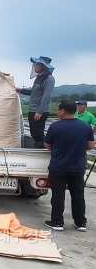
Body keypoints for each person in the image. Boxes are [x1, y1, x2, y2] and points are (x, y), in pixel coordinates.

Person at [43, 99, 95, 231]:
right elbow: (90, 146)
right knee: (78, 195)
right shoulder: (85, 127)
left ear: (63, 111)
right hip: (77, 167)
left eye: (58, 110)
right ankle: (80, 222)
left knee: (58, 196)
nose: (57, 112)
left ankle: (57, 222)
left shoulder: (55, 126)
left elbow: (47, 145)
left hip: (58, 167)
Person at [15, 56, 55, 148]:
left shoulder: (49, 79)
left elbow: (46, 96)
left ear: (43, 66)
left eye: (37, 65)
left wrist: (39, 111)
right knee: (34, 133)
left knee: (38, 134)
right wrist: (20, 90)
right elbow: (33, 92)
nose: (35, 67)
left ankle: (41, 151)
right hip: (32, 109)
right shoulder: (38, 78)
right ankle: (38, 148)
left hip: (40, 111)